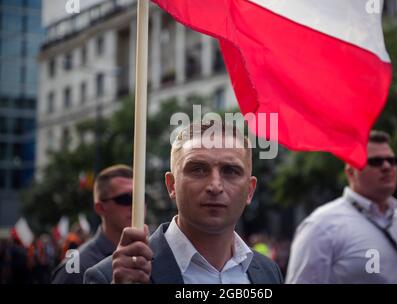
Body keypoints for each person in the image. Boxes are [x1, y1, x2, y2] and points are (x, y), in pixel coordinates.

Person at [85, 122, 283, 284]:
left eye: (230, 171)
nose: (215, 186)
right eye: (198, 169)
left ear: (249, 190)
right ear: (171, 185)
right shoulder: (113, 276)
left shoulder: (268, 273)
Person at [285, 130, 397, 284]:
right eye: (375, 161)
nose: (387, 166)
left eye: (392, 160)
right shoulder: (321, 226)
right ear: (350, 172)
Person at [52, 165, 136, 283]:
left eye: (140, 197)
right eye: (125, 199)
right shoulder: (77, 265)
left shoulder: (152, 253)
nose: (136, 205)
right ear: (100, 208)